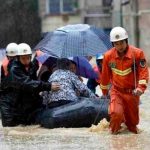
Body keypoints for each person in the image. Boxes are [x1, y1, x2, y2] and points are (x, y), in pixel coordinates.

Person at [100, 26, 149, 134]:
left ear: (126, 41)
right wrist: (104, 93)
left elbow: (143, 73)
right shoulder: (108, 56)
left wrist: (141, 88)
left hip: (132, 93)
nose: (119, 46)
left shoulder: (137, 54)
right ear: (113, 44)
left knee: (132, 127)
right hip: (117, 91)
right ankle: (113, 139)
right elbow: (104, 76)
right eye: (116, 44)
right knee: (116, 114)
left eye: (121, 42)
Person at [0, 43, 60, 127]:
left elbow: (34, 77)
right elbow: (27, 83)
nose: (26, 60)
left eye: (28, 57)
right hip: (10, 107)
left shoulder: (31, 66)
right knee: (12, 130)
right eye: (23, 58)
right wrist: (48, 86)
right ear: (18, 58)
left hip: (23, 104)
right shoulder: (14, 69)